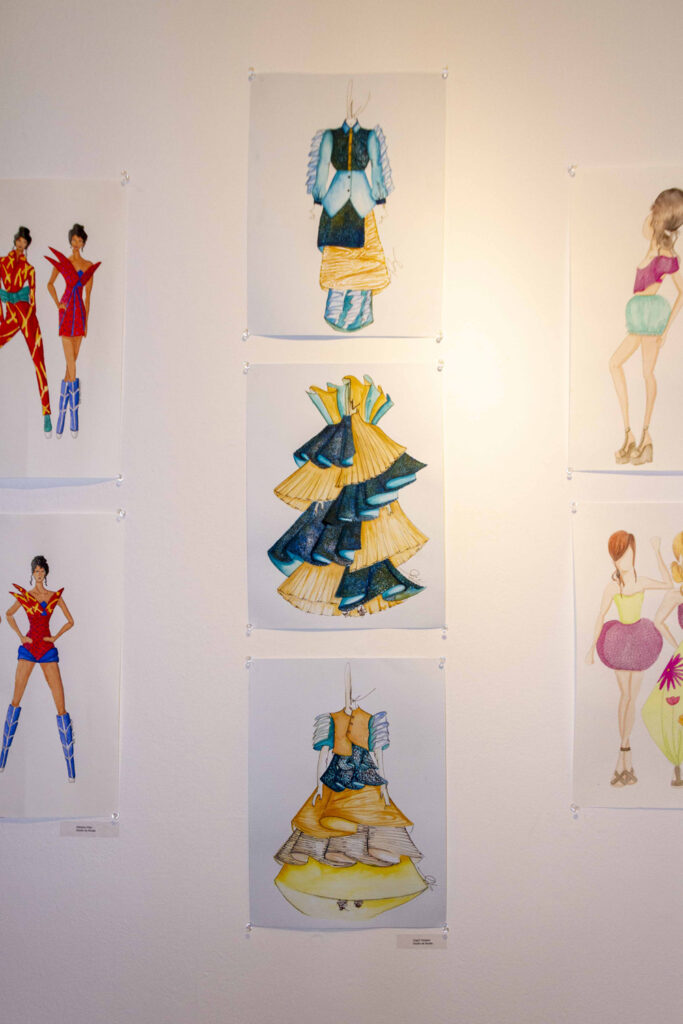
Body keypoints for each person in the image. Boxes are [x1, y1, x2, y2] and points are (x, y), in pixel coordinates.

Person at [274, 664, 428, 920]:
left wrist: (384, 784)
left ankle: (365, 888)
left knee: (372, 824)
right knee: (325, 828)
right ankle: (334, 888)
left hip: (365, 775)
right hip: (335, 777)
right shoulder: (331, 719)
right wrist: (318, 784)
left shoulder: (373, 720)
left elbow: (378, 753)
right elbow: (324, 754)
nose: (354, 695)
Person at [586, 531, 670, 786]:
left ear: (634, 554)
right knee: (625, 696)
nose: (624, 561)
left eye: (628, 555)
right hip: (620, 642)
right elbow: (600, 615)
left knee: (632, 697)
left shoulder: (641, 582)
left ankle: (623, 757)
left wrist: (657, 552)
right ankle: (625, 757)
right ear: (613, 560)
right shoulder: (612, 587)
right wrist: (591, 647)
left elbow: (667, 583)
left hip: (641, 640)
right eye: (619, 557)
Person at [609, 189, 683, 465]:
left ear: (662, 218)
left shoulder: (667, 255)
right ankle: (629, 434)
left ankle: (645, 436)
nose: (649, 216)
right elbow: (645, 227)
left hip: (650, 318)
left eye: (655, 212)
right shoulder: (653, 241)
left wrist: (665, 331)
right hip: (639, 314)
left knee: (646, 373)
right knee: (615, 364)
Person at [0, 556, 75, 780]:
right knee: (16, 699)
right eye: (36, 571)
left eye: (42, 571)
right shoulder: (25, 596)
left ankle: (71, 770)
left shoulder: (54, 596)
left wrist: (55, 637)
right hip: (29, 648)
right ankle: (2, 759)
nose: (39, 574)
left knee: (60, 704)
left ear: (46, 573)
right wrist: (21, 636)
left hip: (47, 649)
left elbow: (70, 621)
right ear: (32, 573)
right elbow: (8, 615)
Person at [45, 224, 101, 438]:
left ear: (84, 242)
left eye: (80, 240)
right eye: (74, 240)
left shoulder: (88, 265)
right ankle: (72, 416)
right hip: (66, 313)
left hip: (80, 317)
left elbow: (88, 296)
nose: (76, 243)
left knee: (71, 366)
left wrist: (87, 322)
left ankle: (62, 414)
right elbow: (50, 284)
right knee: (71, 364)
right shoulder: (64, 263)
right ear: (70, 241)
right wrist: (58, 303)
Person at [0, 227, 52, 436]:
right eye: (20, 241)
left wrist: (29, 315)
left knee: (39, 360)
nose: (22, 245)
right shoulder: (2, 262)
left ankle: (46, 412)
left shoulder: (29, 269)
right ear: (15, 241)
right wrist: (2, 315)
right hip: (11, 316)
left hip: (26, 314)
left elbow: (32, 298)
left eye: (25, 243)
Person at [644, 532, 683, 785]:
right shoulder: (675, 594)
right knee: (665, 708)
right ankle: (677, 764)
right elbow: (658, 621)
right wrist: (676, 646)